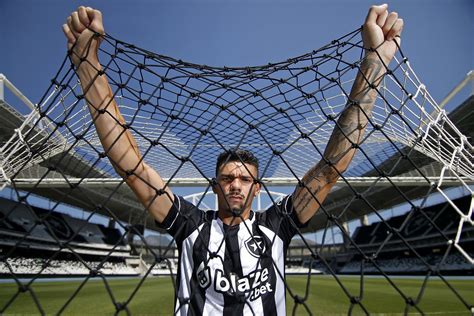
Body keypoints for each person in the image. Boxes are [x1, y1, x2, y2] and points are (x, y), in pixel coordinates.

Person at [63, 4, 403, 315]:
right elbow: (131, 166)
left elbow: (331, 167)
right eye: (227, 178)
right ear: (215, 186)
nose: (235, 185)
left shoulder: (276, 226)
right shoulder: (190, 224)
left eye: (244, 179)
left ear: (257, 188)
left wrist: (375, 60)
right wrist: (87, 63)